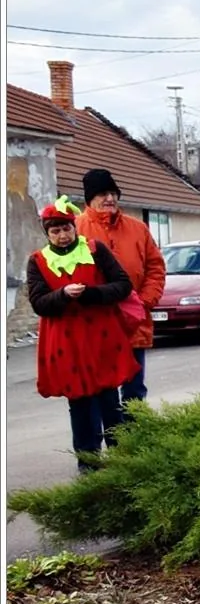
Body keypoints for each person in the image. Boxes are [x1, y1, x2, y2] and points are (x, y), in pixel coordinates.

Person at [26, 198, 141, 471]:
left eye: (66, 229)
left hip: (101, 337)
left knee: (109, 400)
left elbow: (123, 285)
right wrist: (63, 295)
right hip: (67, 342)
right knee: (79, 404)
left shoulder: (95, 250)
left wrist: (92, 293)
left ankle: (122, 460)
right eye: (55, 231)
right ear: (47, 234)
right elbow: (39, 303)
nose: (62, 235)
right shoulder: (38, 261)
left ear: (74, 227)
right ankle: (88, 463)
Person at [73, 167, 165, 407]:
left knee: (134, 388)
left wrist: (144, 302)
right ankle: (114, 431)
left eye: (113, 193)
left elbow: (155, 267)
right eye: (103, 194)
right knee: (104, 389)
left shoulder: (138, 228)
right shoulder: (76, 230)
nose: (110, 198)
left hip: (133, 321)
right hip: (95, 323)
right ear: (90, 199)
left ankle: (135, 430)